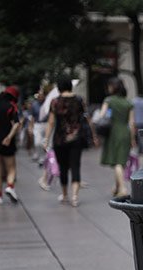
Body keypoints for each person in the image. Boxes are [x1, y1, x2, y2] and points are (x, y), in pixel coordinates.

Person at [43, 75, 96, 207]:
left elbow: (50, 122)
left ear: (59, 87)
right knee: (75, 166)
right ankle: (75, 197)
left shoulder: (55, 102)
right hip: (77, 138)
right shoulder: (79, 100)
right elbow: (87, 118)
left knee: (63, 167)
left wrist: (46, 140)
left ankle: (65, 194)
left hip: (59, 139)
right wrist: (94, 135)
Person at [99, 77, 135, 196]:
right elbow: (131, 123)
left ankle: (123, 189)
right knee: (121, 161)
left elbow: (101, 115)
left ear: (113, 87)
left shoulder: (109, 100)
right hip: (125, 132)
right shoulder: (128, 102)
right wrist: (133, 138)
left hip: (113, 132)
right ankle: (116, 187)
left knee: (117, 163)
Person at [0, 86, 21, 205]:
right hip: (7, 141)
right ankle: (10, 187)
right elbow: (17, 124)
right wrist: (9, 136)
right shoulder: (11, 107)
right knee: (11, 168)